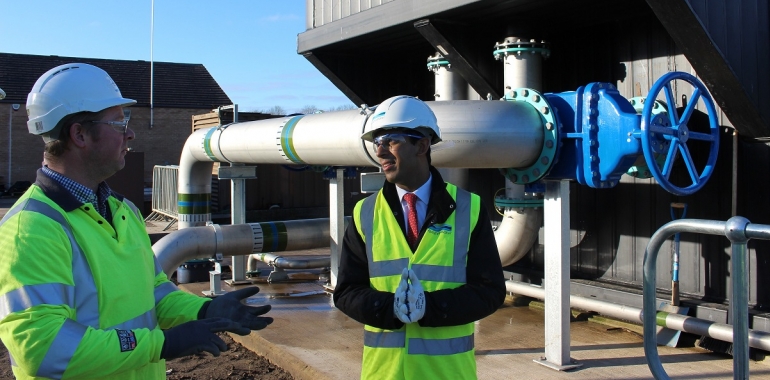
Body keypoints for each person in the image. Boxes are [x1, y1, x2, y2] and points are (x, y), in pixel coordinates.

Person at [0, 63, 273, 380]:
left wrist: (203, 310)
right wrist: (161, 344)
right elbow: (43, 349)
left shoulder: (123, 211)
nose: (129, 133)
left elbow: (154, 293)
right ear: (79, 134)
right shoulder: (31, 229)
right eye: (118, 123)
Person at [334, 95, 506, 379]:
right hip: (384, 374)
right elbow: (346, 292)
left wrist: (432, 309)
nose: (380, 152)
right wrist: (388, 309)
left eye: (390, 140)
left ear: (422, 145)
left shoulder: (469, 208)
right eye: (376, 142)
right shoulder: (365, 213)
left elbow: (490, 291)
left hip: (446, 374)